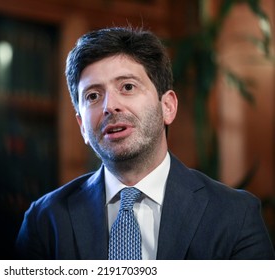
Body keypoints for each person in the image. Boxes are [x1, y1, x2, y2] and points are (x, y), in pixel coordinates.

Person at [16, 26, 275, 260]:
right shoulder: (45, 220)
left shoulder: (235, 215)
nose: (110, 106)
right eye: (93, 96)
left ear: (168, 107)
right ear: (82, 126)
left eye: (127, 87)